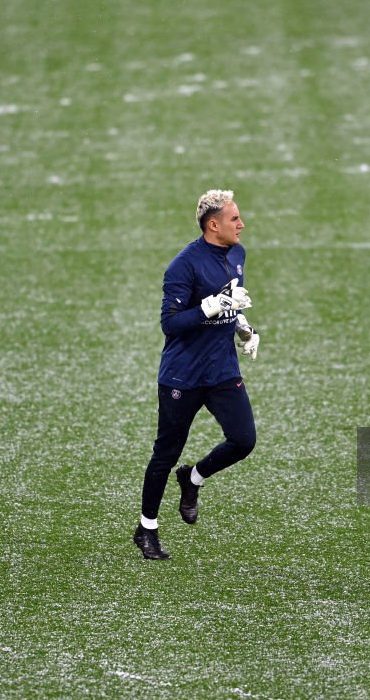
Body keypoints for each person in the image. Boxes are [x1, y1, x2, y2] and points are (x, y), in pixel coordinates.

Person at [133, 189, 261, 560]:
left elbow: (231, 302)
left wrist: (244, 328)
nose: (242, 224)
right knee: (165, 453)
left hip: (221, 369)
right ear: (213, 224)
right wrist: (210, 306)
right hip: (183, 376)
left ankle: (193, 479)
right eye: (235, 218)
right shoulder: (183, 266)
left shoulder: (237, 253)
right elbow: (170, 325)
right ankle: (146, 529)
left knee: (243, 440)